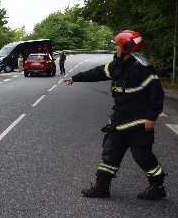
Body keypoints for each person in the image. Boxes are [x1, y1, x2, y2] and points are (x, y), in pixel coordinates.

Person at [65, 30, 167, 200]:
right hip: (120, 119)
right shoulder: (118, 65)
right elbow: (98, 72)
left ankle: (157, 186)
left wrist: (151, 117)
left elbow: (157, 95)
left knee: (142, 156)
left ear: (127, 47)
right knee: (110, 152)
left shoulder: (142, 69)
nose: (116, 48)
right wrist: (76, 78)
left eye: (118, 45)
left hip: (139, 121)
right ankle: (102, 188)